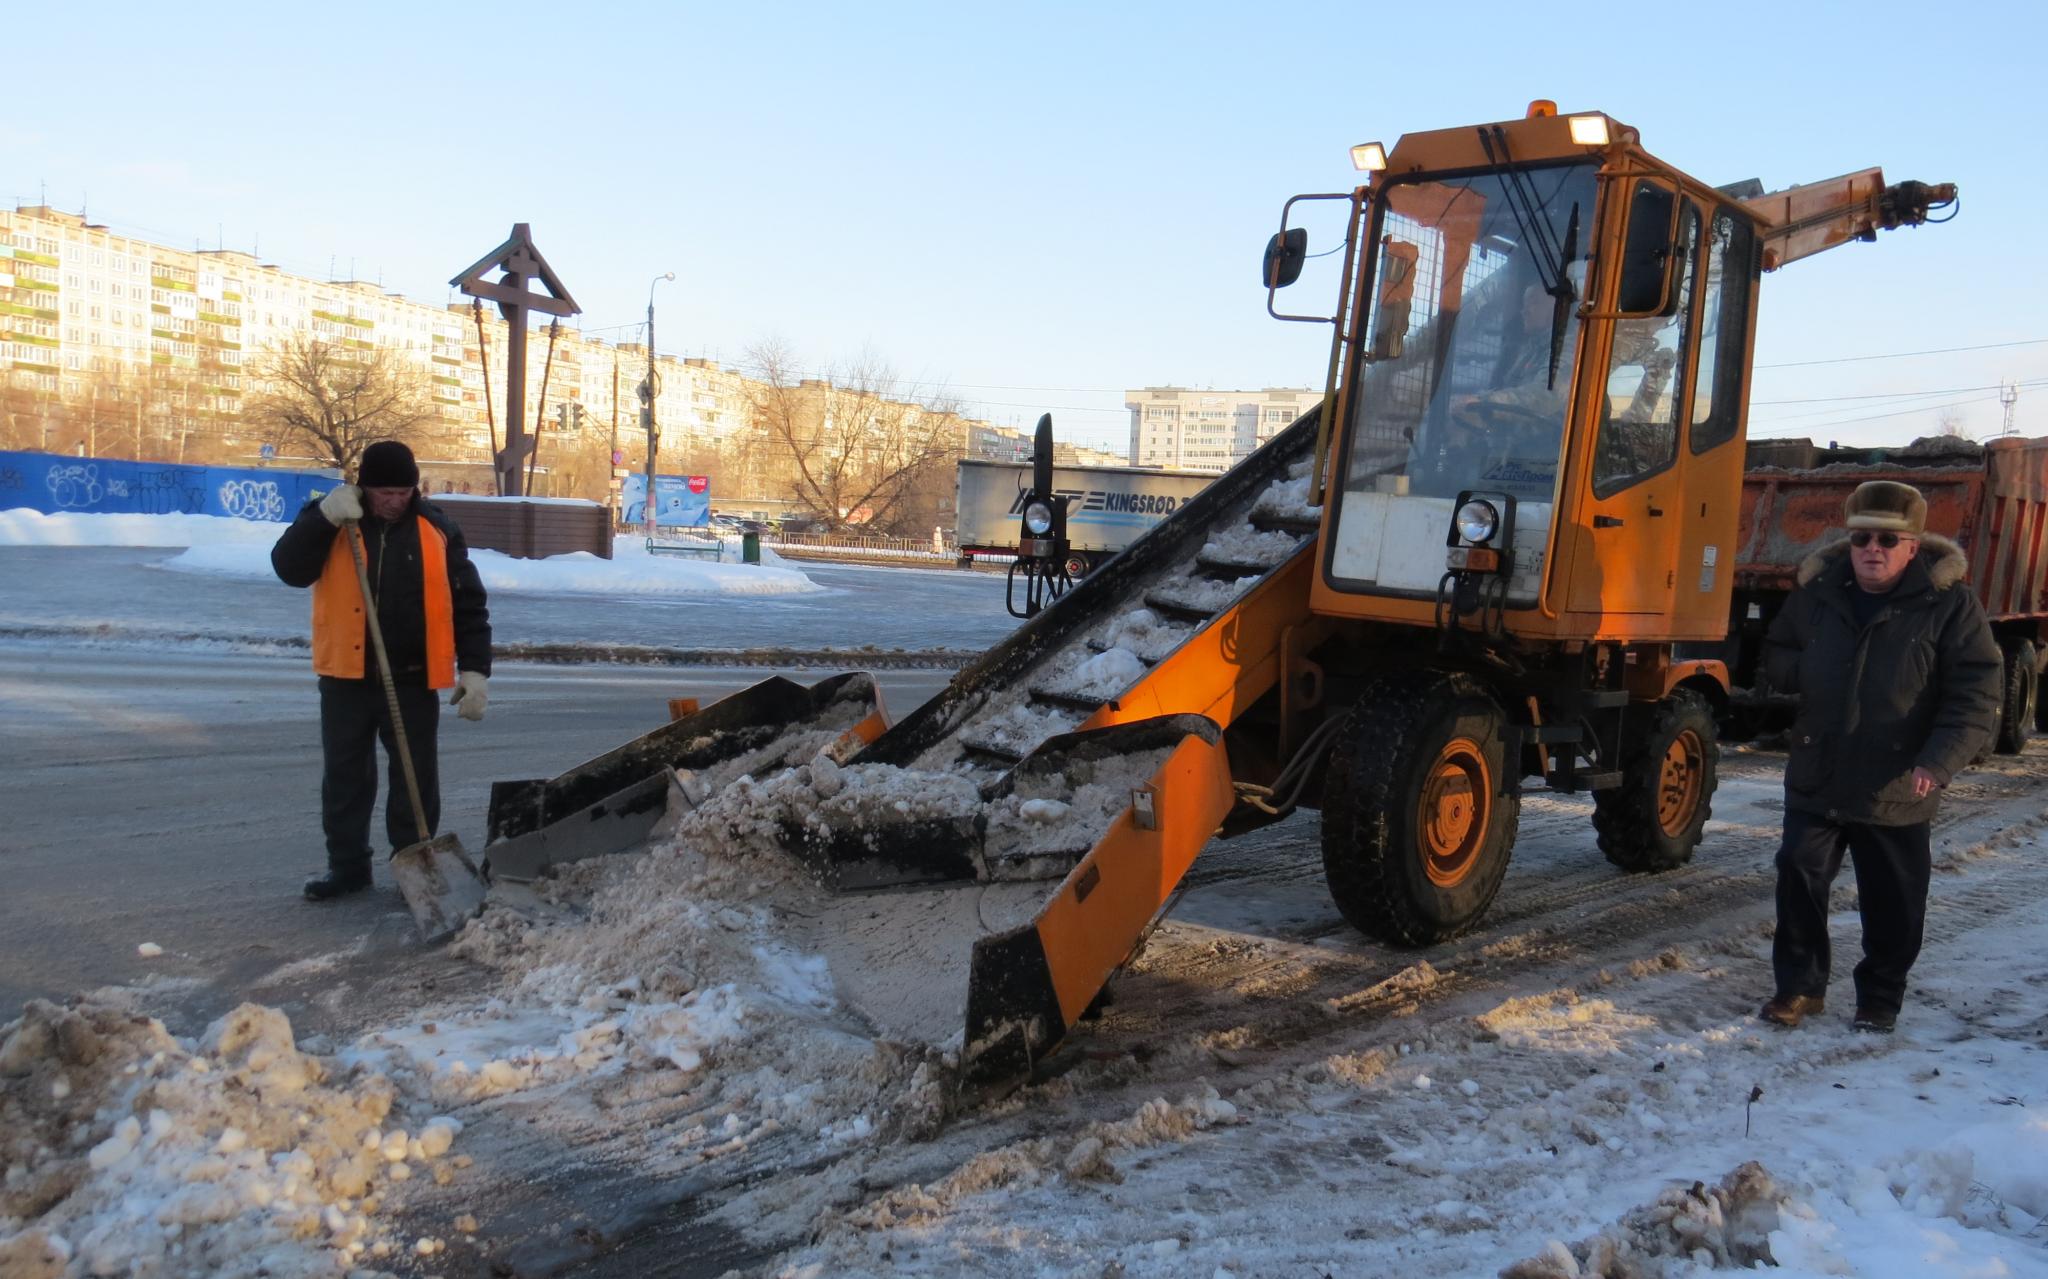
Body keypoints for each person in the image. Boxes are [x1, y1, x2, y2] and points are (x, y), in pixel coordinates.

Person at [1758, 480, 1999, 1032]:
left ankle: (1880, 998)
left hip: (1897, 778)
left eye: (1888, 540)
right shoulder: (1817, 594)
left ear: (1913, 546)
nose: (1873, 548)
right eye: (1862, 537)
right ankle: (1798, 989)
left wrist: (1938, 761)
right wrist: (1801, 675)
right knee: (1798, 873)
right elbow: (1779, 648)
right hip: (1821, 769)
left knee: (1893, 897)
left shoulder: (1948, 605)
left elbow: (1977, 691)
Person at [271, 441, 493, 900]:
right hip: (346, 677)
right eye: (384, 492)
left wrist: (475, 671)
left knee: (415, 779)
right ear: (364, 486)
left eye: (403, 491)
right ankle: (348, 868)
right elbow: (289, 569)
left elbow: (468, 604)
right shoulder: (337, 521)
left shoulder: (437, 529)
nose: (394, 501)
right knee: (346, 779)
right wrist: (322, 518)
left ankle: (413, 865)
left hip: (411, 676)